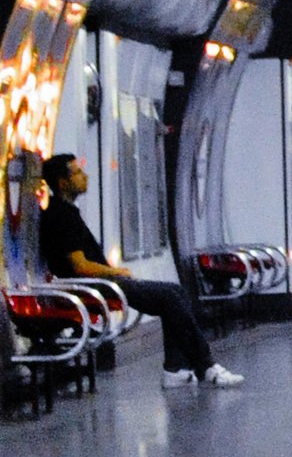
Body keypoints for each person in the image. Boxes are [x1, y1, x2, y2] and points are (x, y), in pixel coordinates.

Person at [37, 151, 241, 390]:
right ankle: (205, 366)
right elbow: (79, 265)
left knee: (174, 293)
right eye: (78, 172)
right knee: (169, 296)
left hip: (97, 283)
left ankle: (177, 369)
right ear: (62, 182)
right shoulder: (62, 217)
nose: (85, 176)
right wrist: (116, 273)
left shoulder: (66, 212)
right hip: (91, 286)